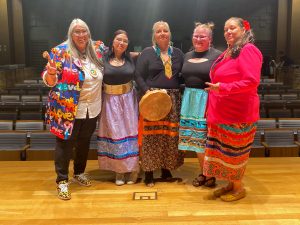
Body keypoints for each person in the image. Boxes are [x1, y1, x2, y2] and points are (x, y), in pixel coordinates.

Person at [42, 18, 106, 200]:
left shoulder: (97, 49)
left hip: (92, 108)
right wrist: (51, 74)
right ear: (71, 34)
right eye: (77, 32)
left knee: (84, 141)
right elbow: (49, 79)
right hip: (68, 109)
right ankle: (62, 181)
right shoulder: (60, 52)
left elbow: (117, 52)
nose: (81, 35)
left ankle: (79, 173)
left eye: (84, 31)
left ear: (89, 33)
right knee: (65, 145)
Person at [203, 17, 262, 201]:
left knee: (235, 154)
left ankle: (238, 188)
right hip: (222, 112)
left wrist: (223, 88)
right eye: (225, 29)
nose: (228, 31)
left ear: (243, 30)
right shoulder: (230, 51)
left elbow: (252, 81)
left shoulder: (248, 50)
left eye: (232, 28)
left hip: (238, 113)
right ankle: (230, 184)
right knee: (224, 154)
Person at [135, 21, 185, 187]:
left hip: (173, 99)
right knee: (151, 136)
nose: (162, 33)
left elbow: (183, 76)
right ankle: (149, 172)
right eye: (158, 31)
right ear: (154, 35)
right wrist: (147, 91)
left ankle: (166, 168)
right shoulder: (147, 53)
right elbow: (138, 75)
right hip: (154, 99)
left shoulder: (178, 53)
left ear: (169, 34)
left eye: (165, 31)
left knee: (169, 136)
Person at [178, 22, 221, 188]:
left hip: (207, 99)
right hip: (189, 99)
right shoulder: (187, 55)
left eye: (202, 36)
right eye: (196, 35)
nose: (198, 39)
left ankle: (209, 174)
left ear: (210, 39)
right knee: (196, 141)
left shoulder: (218, 55)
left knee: (206, 140)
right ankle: (204, 172)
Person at [97, 30, 139, 185]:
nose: (121, 43)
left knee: (131, 132)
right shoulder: (102, 59)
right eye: (118, 40)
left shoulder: (132, 58)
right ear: (113, 42)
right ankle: (119, 171)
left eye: (125, 41)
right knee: (115, 134)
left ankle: (133, 169)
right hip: (110, 101)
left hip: (128, 100)